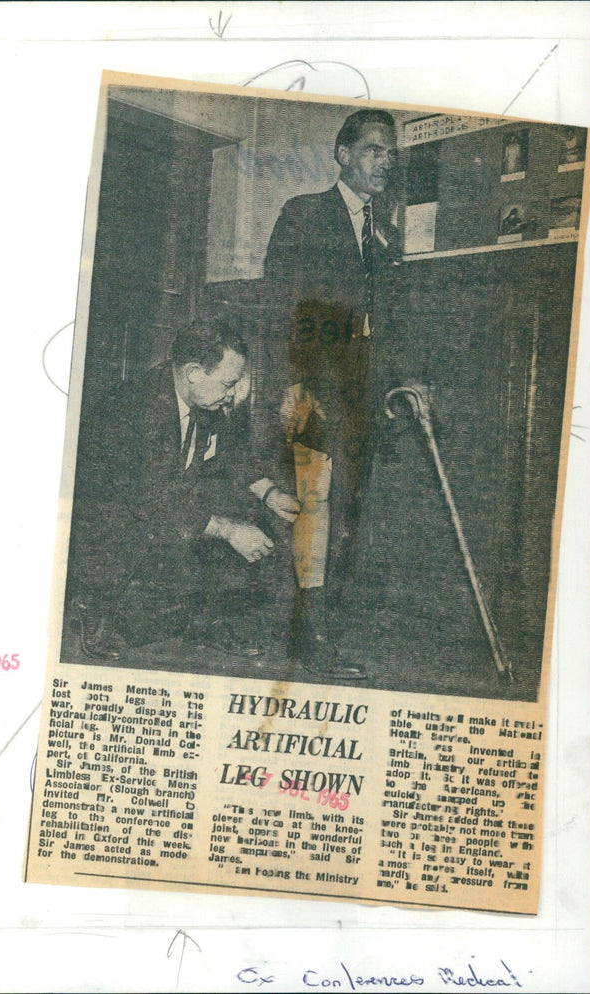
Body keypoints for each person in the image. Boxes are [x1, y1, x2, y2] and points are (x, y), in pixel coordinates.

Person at [65, 317, 299, 660]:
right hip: (113, 524)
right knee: (213, 529)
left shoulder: (205, 399)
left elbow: (232, 457)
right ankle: (94, 603)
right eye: (229, 383)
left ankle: (205, 622)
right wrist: (230, 530)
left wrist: (269, 493)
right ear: (193, 372)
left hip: (165, 507)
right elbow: (152, 499)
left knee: (235, 502)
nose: (233, 393)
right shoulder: (132, 408)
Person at [262, 108, 402, 679]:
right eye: (373, 150)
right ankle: (303, 634)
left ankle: (327, 632)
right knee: (310, 510)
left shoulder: (383, 234)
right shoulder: (304, 215)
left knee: (348, 512)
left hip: (362, 399)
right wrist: (292, 385)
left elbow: (383, 324)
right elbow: (279, 306)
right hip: (313, 389)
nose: (384, 162)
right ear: (343, 155)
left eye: (390, 154)